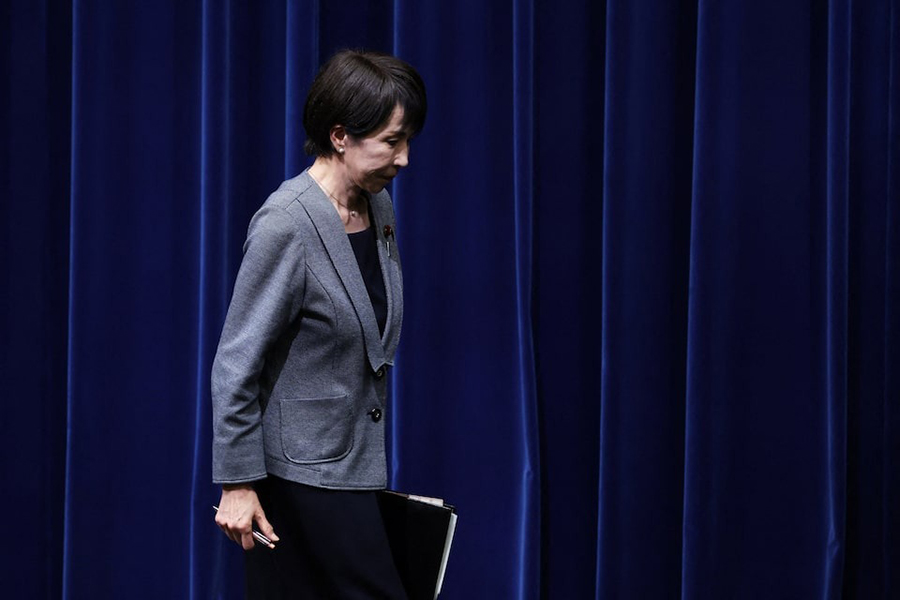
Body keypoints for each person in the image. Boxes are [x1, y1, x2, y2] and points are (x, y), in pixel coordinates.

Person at [211, 49, 426, 598]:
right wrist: (237, 482)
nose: (403, 159)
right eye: (391, 141)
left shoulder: (377, 209)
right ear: (339, 136)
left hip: (353, 461)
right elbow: (236, 362)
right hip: (303, 475)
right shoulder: (285, 225)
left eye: (407, 141)